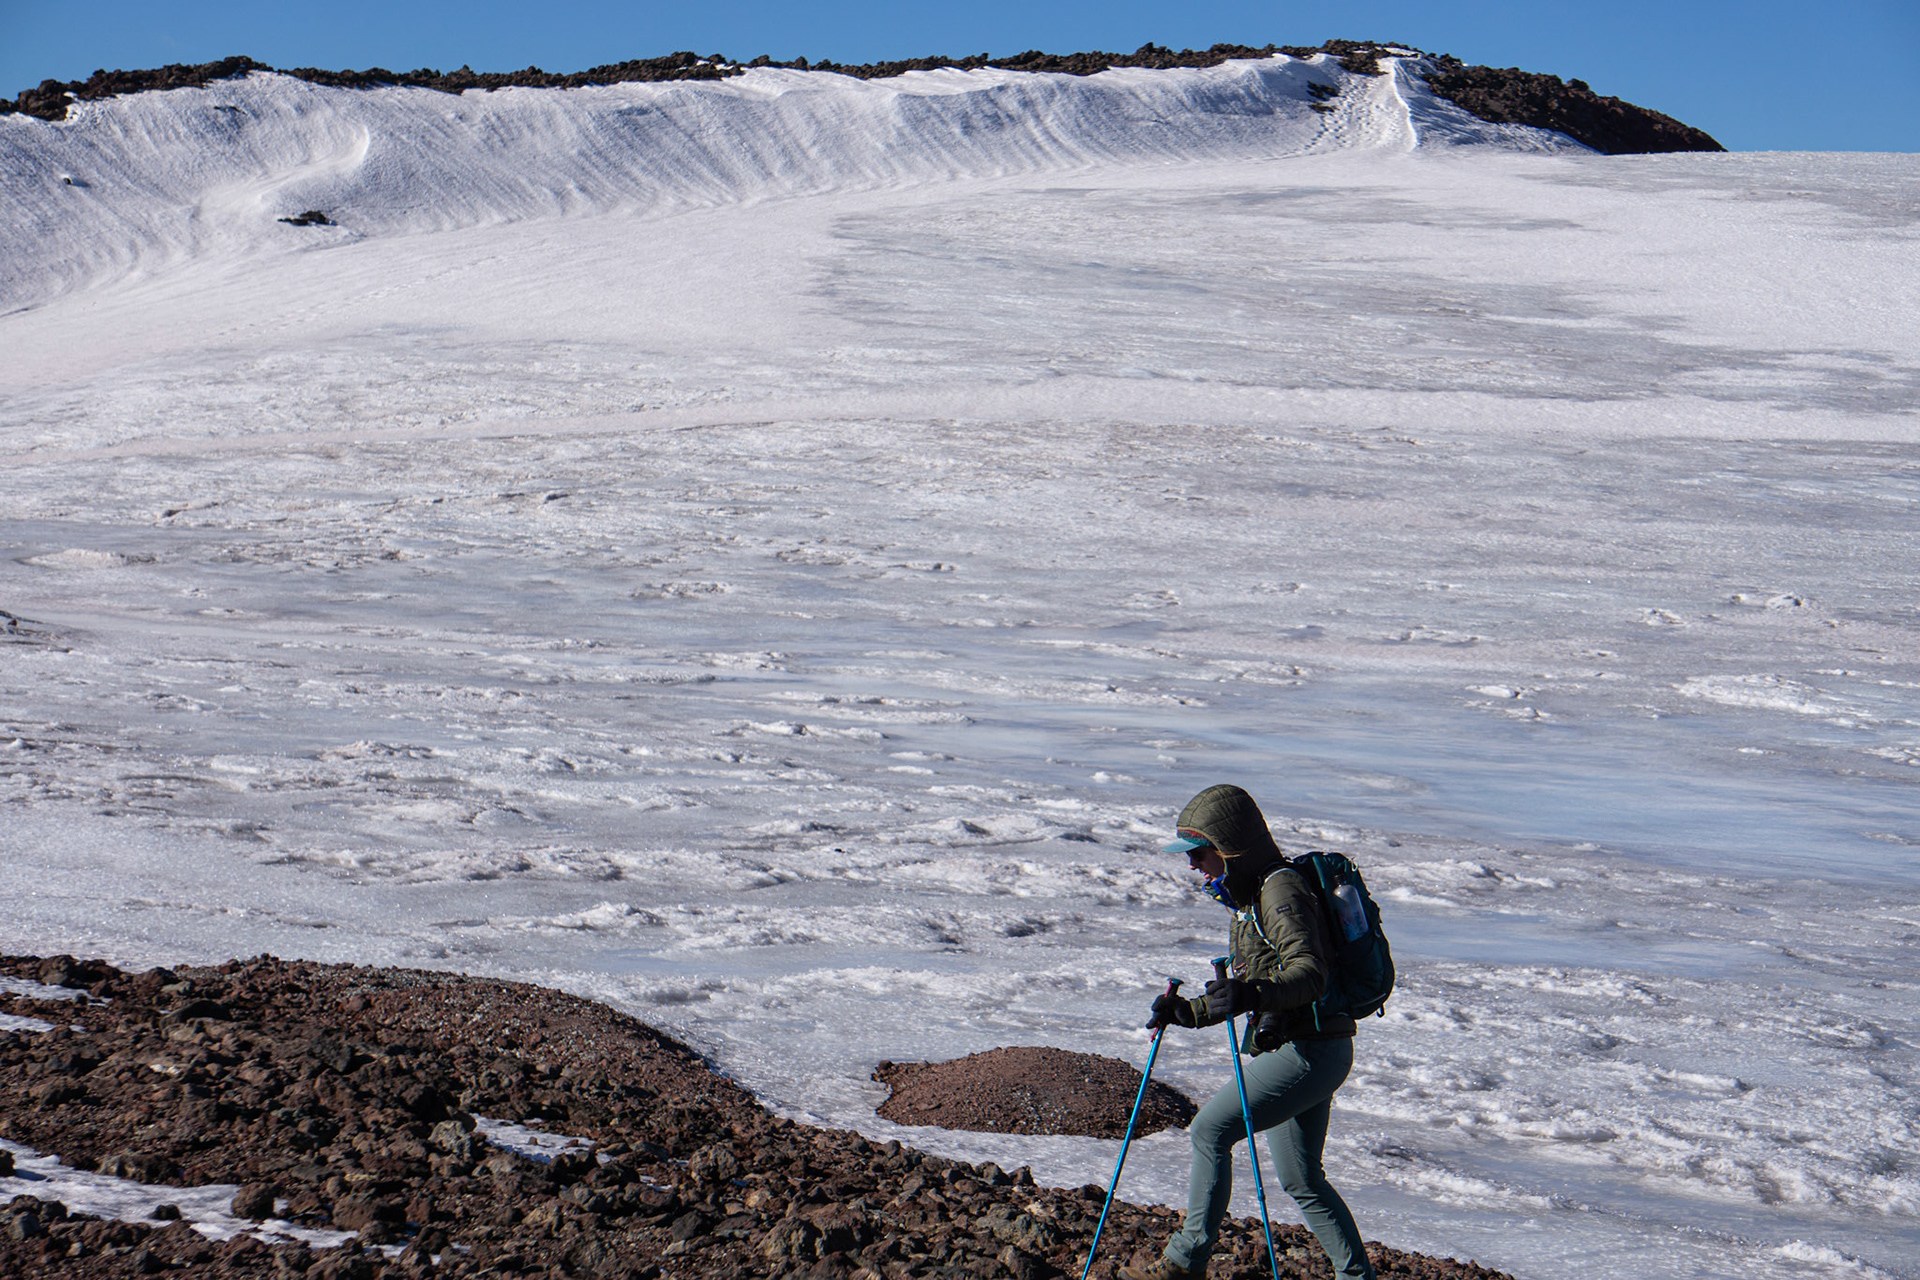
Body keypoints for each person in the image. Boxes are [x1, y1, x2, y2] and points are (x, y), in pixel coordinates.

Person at [1120, 784, 1375, 1280]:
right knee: (1303, 1179)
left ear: (1229, 847)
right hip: (1316, 1047)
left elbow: (1309, 973)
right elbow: (1245, 987)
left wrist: (1253, 997)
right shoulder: (1255, 895)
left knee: (1209, 1131)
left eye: (1199, 853)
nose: (1194, 865)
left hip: (1308, 1051)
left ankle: (1184, 1262)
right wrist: (1185, 1012)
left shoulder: (1278, 889)